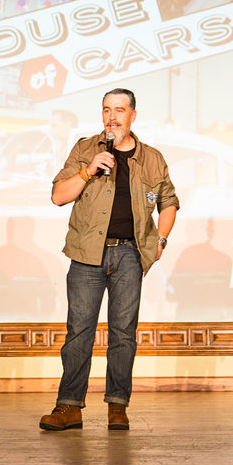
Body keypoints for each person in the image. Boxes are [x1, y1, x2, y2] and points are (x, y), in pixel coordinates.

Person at [40, 88, 179, 431]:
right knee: (79, 333)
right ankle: (68, 407)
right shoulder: (86, 149)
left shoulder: (152, 158)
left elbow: (169, 200)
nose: (112, 117)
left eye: (119, 110)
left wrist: (160, 239)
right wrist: (88, 170)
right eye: (106, 110)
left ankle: (118, 405)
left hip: (130, 254)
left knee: (123, 334)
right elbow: (59, 195)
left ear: (133, 115)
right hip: (87, 256)